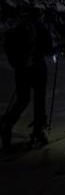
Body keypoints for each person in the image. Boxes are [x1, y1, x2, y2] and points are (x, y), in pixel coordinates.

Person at [0, 11, 54, 149]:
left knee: (22, 100)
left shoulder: (18, 29)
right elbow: (48, 50)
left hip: (21, 70)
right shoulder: (41, 29)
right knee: (39, 100)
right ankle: (38, 132)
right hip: (38, 70)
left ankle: (7, 125)